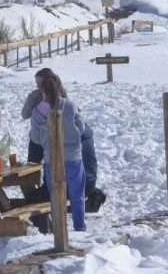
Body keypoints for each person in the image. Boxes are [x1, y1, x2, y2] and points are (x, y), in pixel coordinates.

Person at [21, 68, 105, 214]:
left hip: (60, 150)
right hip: (69, 153)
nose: (37, 87)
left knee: (46, 157)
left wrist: (45, 136)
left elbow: (35, 131)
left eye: (39, 84)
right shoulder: (64, 103)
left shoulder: (51, 105)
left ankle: (38, 186)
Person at [33, 76, 86, 232]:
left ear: (41, 90)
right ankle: (80, 227)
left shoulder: (38, 110)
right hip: (73, 155)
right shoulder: (70, 105)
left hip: (52, 157)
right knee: (77, 195)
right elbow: (81, 127)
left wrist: (45, 138)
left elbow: (35, 137)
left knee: (56, 196)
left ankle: (59, 230)